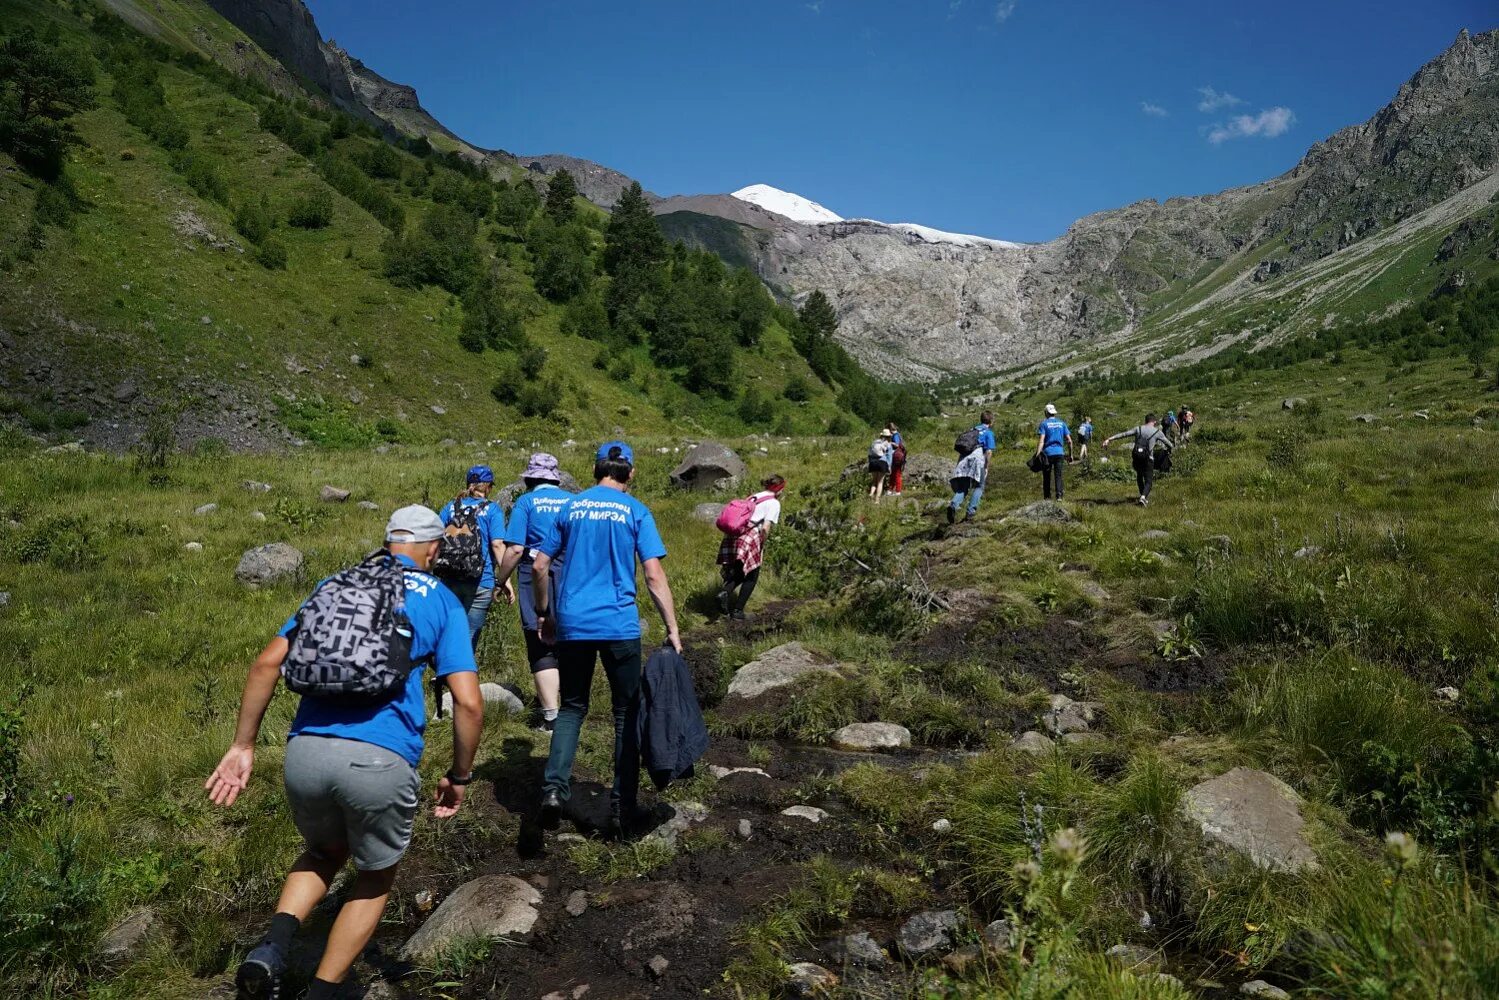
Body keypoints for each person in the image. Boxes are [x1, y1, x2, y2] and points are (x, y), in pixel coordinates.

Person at [207, 506, 482, 1000]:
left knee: (322, 852)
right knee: (375, 876)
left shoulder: (336, 583)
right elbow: (468, 702)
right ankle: (323, 991)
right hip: (380, 759)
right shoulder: (441, 599)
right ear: (433, 549)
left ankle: (272, 949)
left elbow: (268, 661)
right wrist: (459, 775)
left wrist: (242, 746)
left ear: (389, 541)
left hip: (305, 753)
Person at [532, 441, 682, 839]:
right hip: (618, 625)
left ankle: (552, 791)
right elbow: (652, 575)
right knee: (625, 714)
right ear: (629, 473)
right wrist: (671, 626)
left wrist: (545, 615)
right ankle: (621, 807)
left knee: (572, 709)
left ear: (595, 469)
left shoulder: (570, 506)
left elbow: (540, 565)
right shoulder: (635, 510)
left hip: (574, 624)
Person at [494, 453, 570, 732]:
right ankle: (572, 707)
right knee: (568, 636)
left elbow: (514, 549)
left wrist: (501, 579)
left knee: (539, 641)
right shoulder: (572, 501)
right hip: (570, 571)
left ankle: (551, 718)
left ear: (530, 479)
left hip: (533, 570)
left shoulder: (526, 502)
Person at [435, 466, 513, 644]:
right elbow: (497, 544)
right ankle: (461, 670)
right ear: (487, 487)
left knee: (448, 634)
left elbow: (435, 537)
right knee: (468, 640)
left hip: (449, 578)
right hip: (480, 580)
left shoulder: (450, 507)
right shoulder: (493, 510)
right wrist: (505, 579)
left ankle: (443, 670)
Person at [717, 474, 786, 621]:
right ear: (779, 489)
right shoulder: (774, 503)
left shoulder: (754, 496)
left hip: (734, 535)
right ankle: (738, 611)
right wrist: (761, 544)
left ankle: (724, 593)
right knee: (752, 575)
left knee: (739, 571)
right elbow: (766, 527)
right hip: (750, 537)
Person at [1102, 414, 1174, 506]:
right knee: (1148, 480)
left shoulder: (1138, 429)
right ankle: (1143, 497)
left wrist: (1109, 439)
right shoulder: (1157, 432)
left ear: (1145, 421)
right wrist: (1169, 450)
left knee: (1139, 476)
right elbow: (1169, 444)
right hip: (1148, 458)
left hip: (1137, 457)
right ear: (1154, 422)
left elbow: (1124, 434)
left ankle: (1142, 496)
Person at [947, 411, 996, 523]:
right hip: (977, 458)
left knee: (963, 487)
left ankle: (953, 505)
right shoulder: (988, 432)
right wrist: (986, 467)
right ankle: (970, 512)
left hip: (964, 458)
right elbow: (988, 452)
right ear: (991, 421)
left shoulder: (973, 429)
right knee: (979, 486)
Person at [1035, 403, 1074, 501]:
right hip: (1059, 453)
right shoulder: (1062, 423)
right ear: (1054, 413)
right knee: (1058, 475)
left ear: (1046, 413)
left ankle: (1047, 497)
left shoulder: (1044, 424)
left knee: (1047, 476)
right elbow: (1069, 441)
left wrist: (1038, 454)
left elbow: (1042, 440)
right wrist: (1070, 455)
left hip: (1048, 453)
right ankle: (1059, 496)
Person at [867, 429, 894, 502]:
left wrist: (870, 462)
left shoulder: (874, 442)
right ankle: (877, 500)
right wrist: (889, 466)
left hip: (873, 463)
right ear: (889, 436)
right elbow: (889, 457)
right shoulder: (888, 444)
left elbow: (869, 453)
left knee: (874, 481)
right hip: (882, 463)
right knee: (880, 482)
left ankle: (871, 493)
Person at [886, 422, 907, 496]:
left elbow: (897, 445)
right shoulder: (897, 435)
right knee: (893, 473)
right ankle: (891, 489)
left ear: (890, 429)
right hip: (897, 456)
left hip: (897, 457)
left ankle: (898, 491)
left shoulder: (896, 435)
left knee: (897, 474)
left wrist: (890, 442)